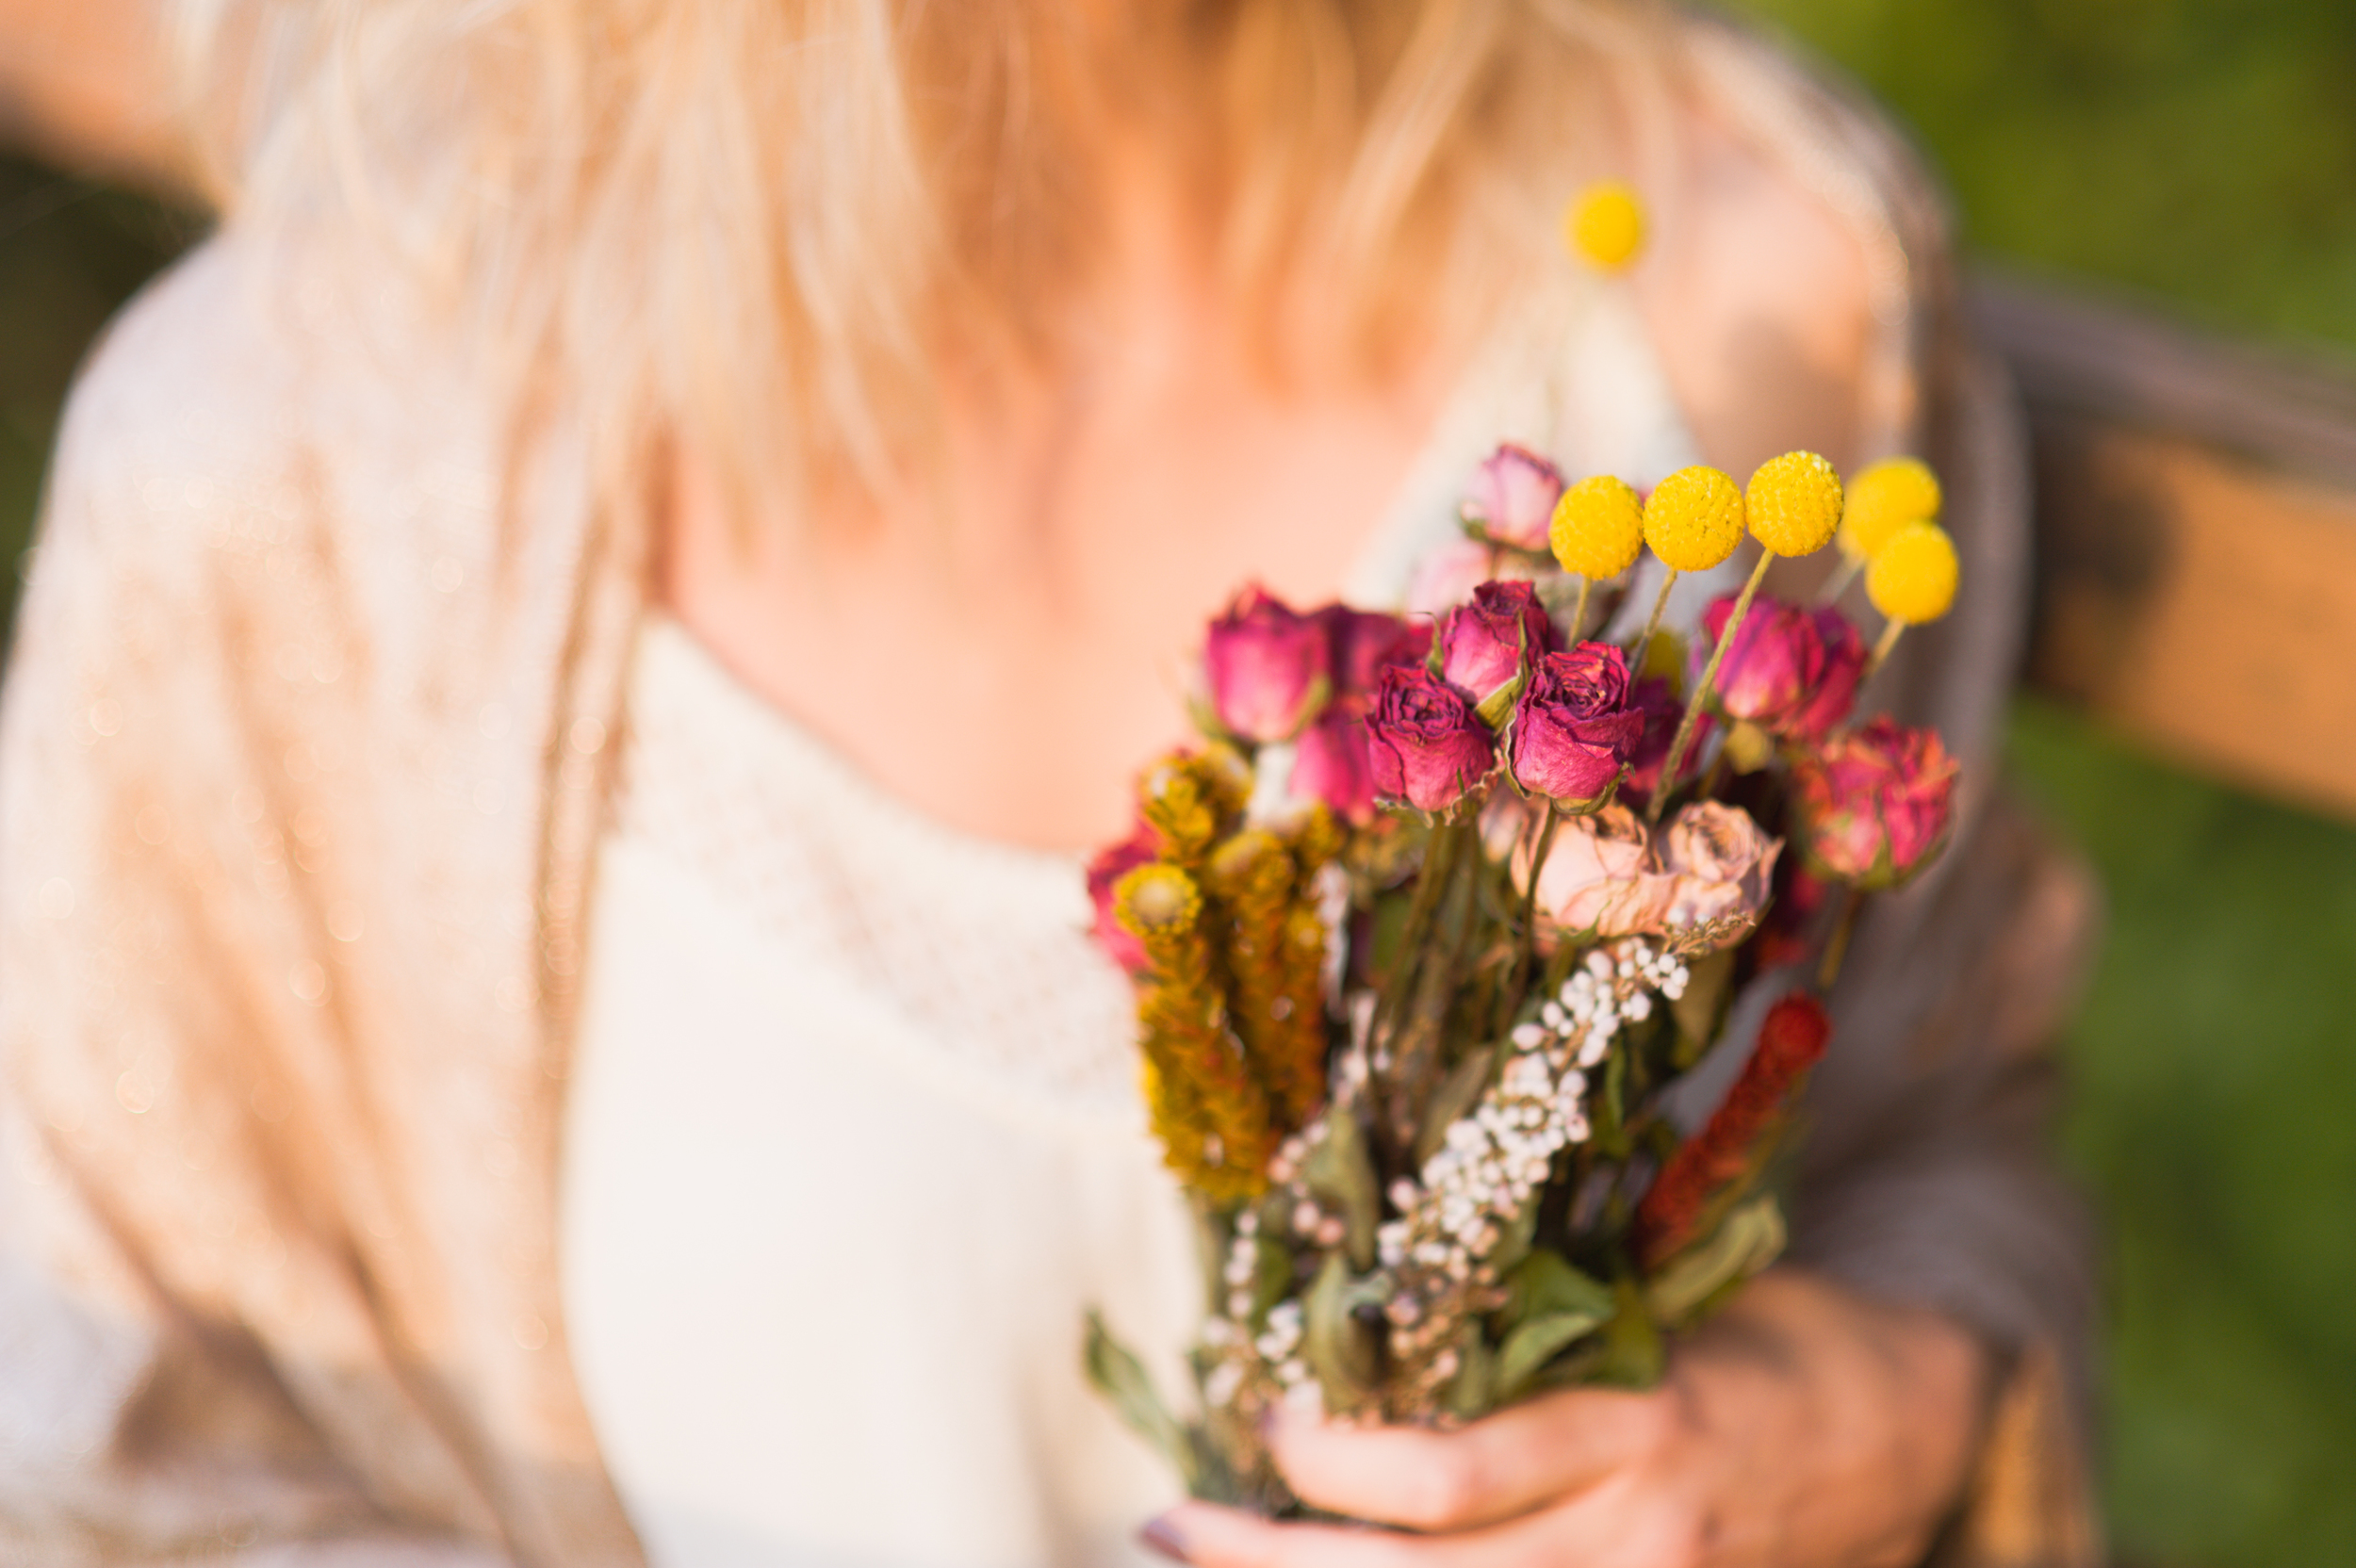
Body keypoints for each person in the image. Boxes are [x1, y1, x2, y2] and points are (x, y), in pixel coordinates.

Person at [0, 3, 2099, 1564]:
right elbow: (99, 1463)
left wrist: (1846, 1415)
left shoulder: (1726, 314)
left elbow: (1935, 1139)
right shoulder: (295, 478)